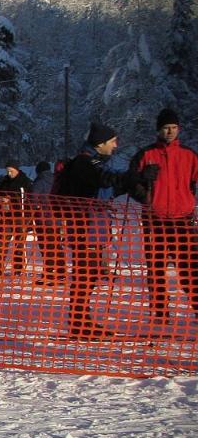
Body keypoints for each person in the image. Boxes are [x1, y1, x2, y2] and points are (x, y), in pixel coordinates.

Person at [55, 122, 148, 338]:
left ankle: (81, 320)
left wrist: (130, 182)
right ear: (101, 143)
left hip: (91, 227)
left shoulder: (92, 161)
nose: (116, 145)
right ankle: (79, 323)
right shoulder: (84, 162)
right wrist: (128, 178)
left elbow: (107, 183)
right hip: (84, 228)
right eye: (113, 141)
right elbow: (103, 179)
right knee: (85, 274)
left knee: (89, 274)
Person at [130, 107, 198, 324]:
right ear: (158, 130)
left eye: (174, 128)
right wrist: (144, 191)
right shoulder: (146, 154)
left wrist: (188, 198)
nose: (170, 132)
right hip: (154, 219)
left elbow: (193, 182)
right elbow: (131, 182)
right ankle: (160, 313)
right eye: (166, 128)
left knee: (189, 267)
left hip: (182, 218)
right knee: (156, 268)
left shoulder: (189, 155)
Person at [0, 161, 33, 275]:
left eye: (11, 171)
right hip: (7, 216)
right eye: (7, 171)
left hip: (21, 216)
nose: (9, 173)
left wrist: (11, 199)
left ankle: (18, 268)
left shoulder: (25, 181)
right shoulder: (5, 181)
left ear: (17, 170)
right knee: (2, 242)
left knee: (19, 243)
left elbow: (29, 199)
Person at [30, 161, 65, 285]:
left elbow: (33, 199)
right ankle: (60, 272)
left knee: (46, 247)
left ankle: (49, 274)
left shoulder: (39, 182)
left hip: (43, 219)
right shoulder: (57, 180)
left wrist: (34, 210)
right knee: (56, 245)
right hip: (57, 218)